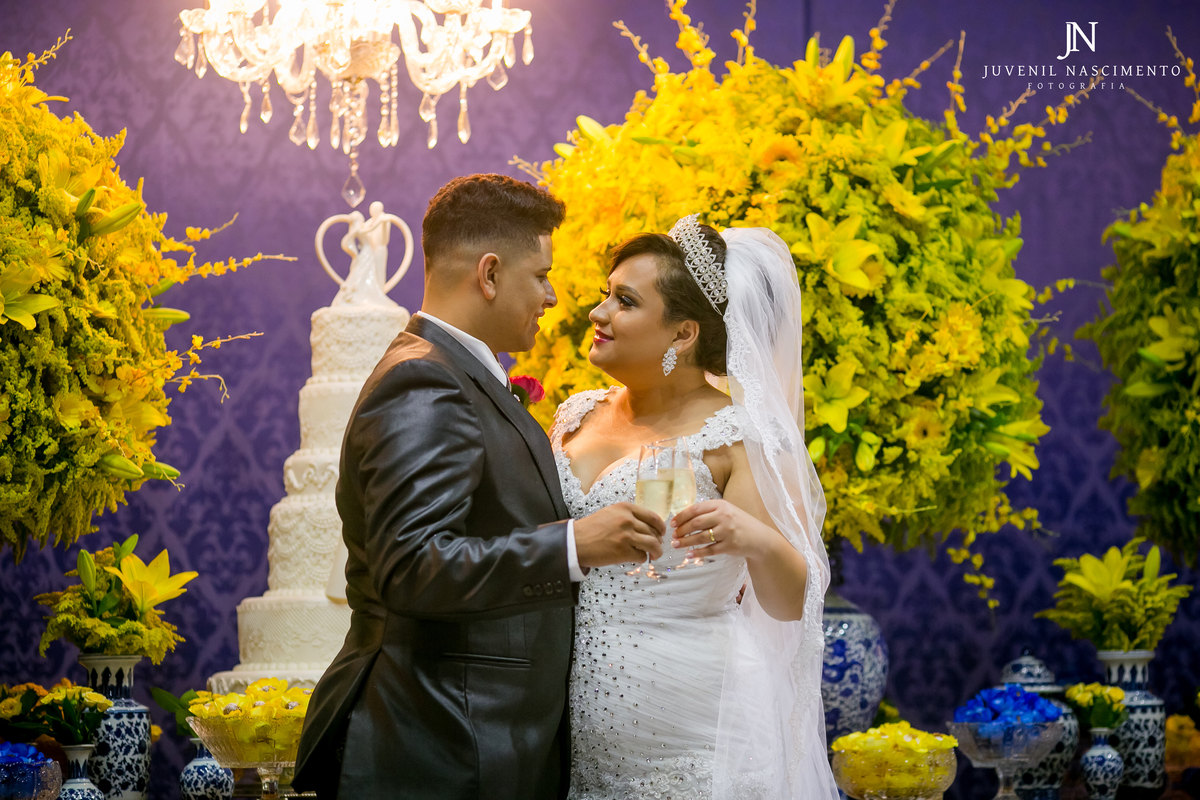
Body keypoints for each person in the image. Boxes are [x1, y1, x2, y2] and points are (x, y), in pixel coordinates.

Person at [292, 174, 667, 800]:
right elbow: (412, 565)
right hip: (436, 743)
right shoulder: (424, 382)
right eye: (541, 275)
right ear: (489, 274)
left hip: (471, 740)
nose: (551, 296)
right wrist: (573, 545)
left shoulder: (458, 373)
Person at [552, 216, 838, 799]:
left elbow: (789, 604)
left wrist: (753, 538)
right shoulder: (576, 415)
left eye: (625, 301)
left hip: (695, 727)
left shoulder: (739, 437)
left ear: (683, 334)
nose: (598, 313)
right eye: (606, 294)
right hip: (568, 725)